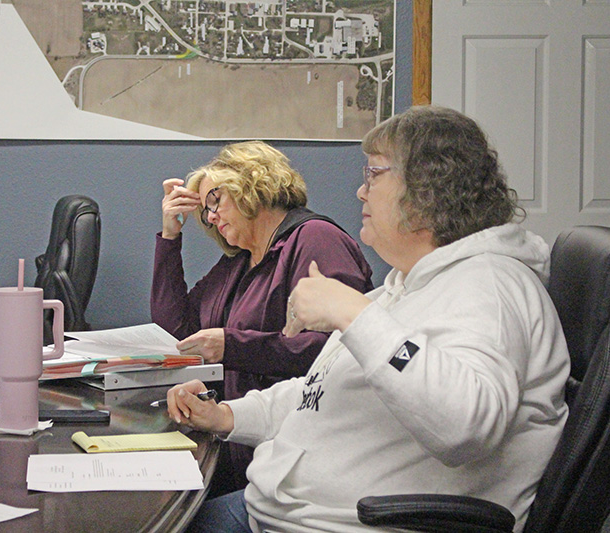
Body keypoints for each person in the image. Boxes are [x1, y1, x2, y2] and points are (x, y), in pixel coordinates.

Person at [166, 106, 571, 533]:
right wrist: (226, 416)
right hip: (280, 509)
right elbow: (320, 393)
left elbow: (464, 425)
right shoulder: (408, 287)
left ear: (427, 189)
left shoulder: (490, 284)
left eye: (374, 174)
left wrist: (353, 313)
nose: (361, 192)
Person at [151, 140, 374, 495]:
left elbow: (333, 354)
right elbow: (176, 328)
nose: (210, 217)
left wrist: (231, 346)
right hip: (236, 451)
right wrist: (170, 234)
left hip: (293, 467)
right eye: (205, 212)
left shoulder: (316, 239)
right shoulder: (239, 261)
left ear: (251, 184)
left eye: (214, 200)